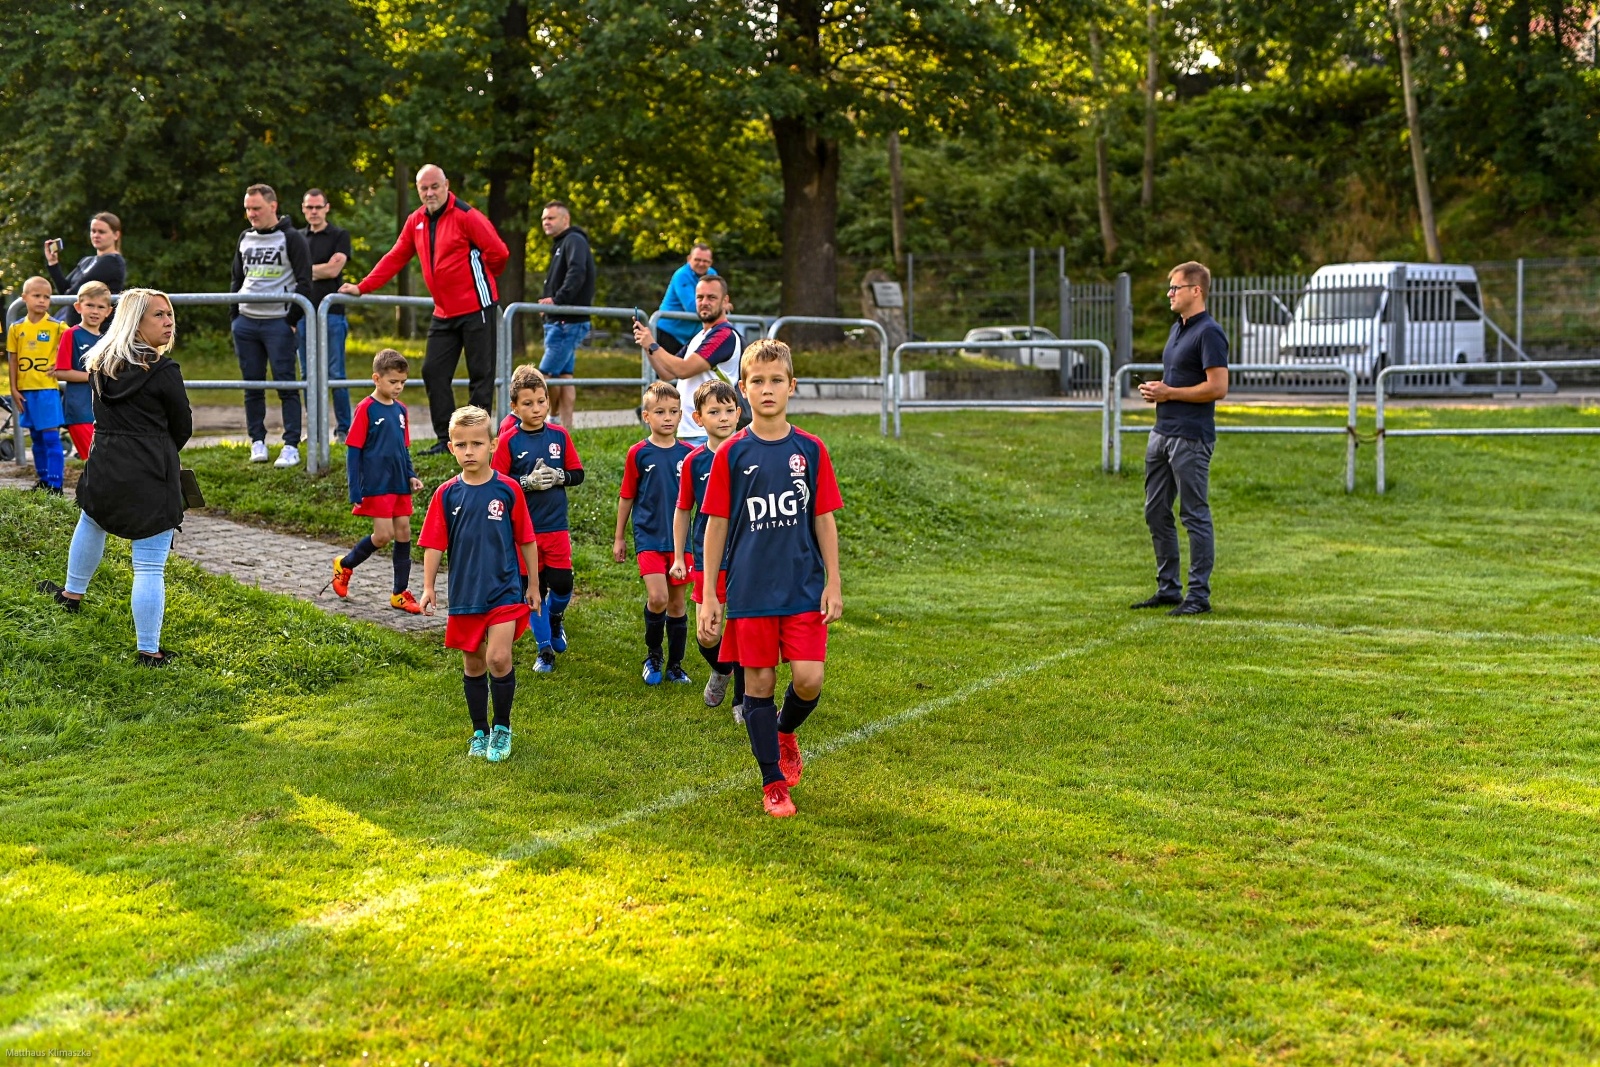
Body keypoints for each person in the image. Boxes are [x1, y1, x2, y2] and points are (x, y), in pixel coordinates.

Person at [698, 339, 844, 819]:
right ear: (742, 390)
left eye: (775, 380)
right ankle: (772, 783)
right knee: (757, 683)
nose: (766, 389)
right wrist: (708, 596)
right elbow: (716, 523)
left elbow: (824, 518)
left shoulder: (811, 449)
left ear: (791, 387)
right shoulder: (732, 454)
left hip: (802, 585)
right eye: (756, 381)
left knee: (808, 679)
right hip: (750, 590)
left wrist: (834, 581)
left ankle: (786, 732)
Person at [36, 289, 191, 667]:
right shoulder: (165, 371)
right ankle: (148, 651)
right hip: (151, 469)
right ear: (135, 322)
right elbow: (182, 427)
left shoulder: (100, 364)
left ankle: (72, 595)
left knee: (91, 521)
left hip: (104, 462)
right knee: (150, 564)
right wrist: (159, 447)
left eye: (169, 314)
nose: (169, 321)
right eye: (159, 315)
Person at [342, 165, 509, 452]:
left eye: (435, 186)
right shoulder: (415, 220)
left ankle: (476, 440)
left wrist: (481, 281)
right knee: (433, 371)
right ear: (418, 190)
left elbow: (499, 253)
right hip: (443, 312)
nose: (430, 193)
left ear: (446, 185)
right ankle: (447, 440)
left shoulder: (467, 216)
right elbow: (396, 256)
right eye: (424, 188)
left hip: (476, 307)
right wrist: (362, 286)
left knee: (480, 375)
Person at [418, 406, 539, 763]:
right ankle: (478, 731)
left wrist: (532, 584)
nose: (469, 451)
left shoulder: (508, 490)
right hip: (465, 595)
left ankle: (502, 728)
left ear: (492, 445)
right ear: (451, 448)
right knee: (473, 665)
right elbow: (434, 544)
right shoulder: (445, 494)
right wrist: (428, 587)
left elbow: (527, 540)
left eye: (476, 443)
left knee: (498, 658)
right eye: (461, 445)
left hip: (503, 590)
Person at [1132, 260, 1230, 617]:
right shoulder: (1178, 329)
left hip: (1190, 437)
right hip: (1161, 433)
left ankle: (1198, 596)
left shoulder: (1209, 333)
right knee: (1155, 511)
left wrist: (1169, 392)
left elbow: (1218, 388)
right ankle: (1168, 589)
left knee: (1194, 515)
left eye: (1175, 287)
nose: (1169, 294)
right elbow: (1178, 380)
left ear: (1196, 291)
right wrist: (1158, 391)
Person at [492, 365, 586, 674]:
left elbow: (578, 473)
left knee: (562, 584)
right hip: (523, 532)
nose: (537, 408)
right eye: (528, 403)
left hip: (555, 526)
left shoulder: (559, 435)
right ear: (514, 407)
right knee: (532, 590)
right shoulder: (508, 441)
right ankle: (544, 650)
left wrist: (559, 476)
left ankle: (556, 619)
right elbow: (497, 484)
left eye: (542, 401)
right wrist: (525, 483)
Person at [330, 349, 426, 614]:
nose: (398, 387)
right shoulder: (366, 409)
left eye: (403, 382)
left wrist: (411, 475)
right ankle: (345, 564)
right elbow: (353, 450)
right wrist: (355, 487)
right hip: (376, 483)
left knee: (404, 531)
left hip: (399, 482)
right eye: (393, 382)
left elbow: (403, 449)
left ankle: (399, 593)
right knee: (383, 536)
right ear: (376, 378)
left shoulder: (401, 410)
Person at [671, 378, 744, 716]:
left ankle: (744, 700)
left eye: (729, 410)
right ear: (698, 418)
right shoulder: (694, 462)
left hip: (746, 557)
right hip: (706, 559)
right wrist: (678, 556)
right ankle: (722, 669)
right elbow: (683, 510)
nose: (724, 417)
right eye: (714, 411)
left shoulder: (749, 453)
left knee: (745, 630)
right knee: (707, 636)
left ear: (739, 413)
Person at [615, 381, 694, 686]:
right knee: (658, 598)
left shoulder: (690, 454)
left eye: (673, 411)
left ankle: (675, 665)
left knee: (676, 603)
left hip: (680, 543)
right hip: (648, 538)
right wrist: (620, 537)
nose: (668, 417)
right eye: (660, 412)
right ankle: (653, 655)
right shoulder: (638, 453)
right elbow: (627, 496)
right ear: (646, 416)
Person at [231, 183, 313, 468]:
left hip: (278, 323)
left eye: (256, 208)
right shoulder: (245, 237)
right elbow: (236, 278)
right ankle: (257, 442)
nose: (251, 214)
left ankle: (291, 445)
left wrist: (290, 321)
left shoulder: (291, 238)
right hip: (246, 322)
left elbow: (305, 282)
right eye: (248, 209)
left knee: (286, 383)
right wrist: (235, 317)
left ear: (272, 206)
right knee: (252, 385)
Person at [631, 274, 742, 447]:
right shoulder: (700, 336)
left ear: (725, 301)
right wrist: (646, 345)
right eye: (700, 297)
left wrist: (652, 344)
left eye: (712, 297)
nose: (704, 302)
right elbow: (666, 373)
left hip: (710, 435)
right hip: (690, 432)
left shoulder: (724, 335)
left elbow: (682, 370)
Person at [297, 189, 355, 442]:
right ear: (303, 209)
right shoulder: (297, 238)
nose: (314, 211)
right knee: (307, 376)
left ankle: (344, 430)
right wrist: (313, 271)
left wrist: (303, 271)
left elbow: (334, 270)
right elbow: (289, 272)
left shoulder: (339, 235)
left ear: (327, 208)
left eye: (318, 207)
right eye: (309, 207)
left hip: (332, 315)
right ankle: (315, 431)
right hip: (301, 316)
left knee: (335, 374)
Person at [537, 201, 596, 429]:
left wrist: (557, 301)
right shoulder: (562, 243)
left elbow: (577, 272)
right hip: (562, 321)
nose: (546, 223)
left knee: (541, 376)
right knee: (564, 376)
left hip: (566, 322)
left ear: (565, 219)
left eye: (551, 218)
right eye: (544, 219)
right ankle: (566, 427)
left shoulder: (574, 240)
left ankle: (543, 424)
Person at [6, 277, 67, 492]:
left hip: (47, 390)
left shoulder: (57, 326)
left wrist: (60, 365)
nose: (42, 300)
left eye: (47, 297)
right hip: (25, 392)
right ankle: (43, 480)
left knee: (51, 437)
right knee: (36, 437)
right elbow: (13, 359)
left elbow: (72, 345)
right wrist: (13, 388)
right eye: (37, 296)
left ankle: (56, 485)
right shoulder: (16, 328)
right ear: (24, 298)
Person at [53, 280, 114, 459]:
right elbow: (61, 372)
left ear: (108, 311)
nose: (95, 311)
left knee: (106, 461)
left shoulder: (107, 340)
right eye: (90, 305)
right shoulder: (71, 334)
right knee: (94, 460)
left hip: (103, 412)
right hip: (79, 410)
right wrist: (94, 376)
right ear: (78, 307)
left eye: (101, 307)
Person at [44, 212, 126, 326]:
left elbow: (71, 294)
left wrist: (69, 295)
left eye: (101, 232)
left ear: (116, 235)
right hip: (77, 329)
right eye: (93, 231)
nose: (96, 235)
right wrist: (53, 263)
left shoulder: (112, 261)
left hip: (97, 332)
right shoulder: (86, 261)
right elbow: (64, 292)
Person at [655, 243, 717, 355]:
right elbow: (692, 307)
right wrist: (719, 306)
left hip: (692, 337)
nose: (701, 264)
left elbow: (719, 298)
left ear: (711, 262)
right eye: (697, 259)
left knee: (687, 371)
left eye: (706, 261)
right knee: (664, 372)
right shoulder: (681, 275)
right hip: (669, 332)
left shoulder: (713, 275)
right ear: (689, 259)